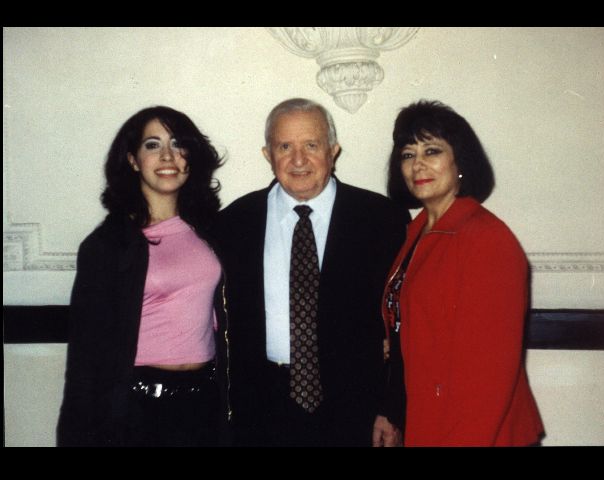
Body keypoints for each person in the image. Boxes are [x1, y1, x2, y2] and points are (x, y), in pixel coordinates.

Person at [215, 98, 411, 447]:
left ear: (333, 151)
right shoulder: (234, 223)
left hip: (356, 408)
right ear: (267, 154)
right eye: (285, 147)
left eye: (311, 145)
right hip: (261, 410)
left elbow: (404, 324)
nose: (298, 160)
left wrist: (391, 408)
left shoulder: (382, 219)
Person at [57, 106, 228, 447]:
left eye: (178, 144)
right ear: (133, 160)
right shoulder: (107, 246)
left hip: (205, 406)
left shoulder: (211, 231)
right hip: (138, 413)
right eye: (152, 145)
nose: (167, 155)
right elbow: (85, 360)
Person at [383, 99, 544, 446]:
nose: (418, 164)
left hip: (476, 431)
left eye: (432, 151)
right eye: (408, 154)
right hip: (429, 419)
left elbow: (490, 373)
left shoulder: (485, 238)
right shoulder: (416, 232)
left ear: (460, 161)